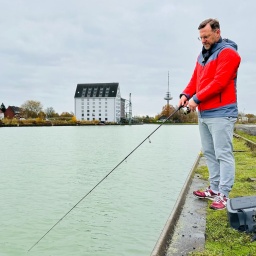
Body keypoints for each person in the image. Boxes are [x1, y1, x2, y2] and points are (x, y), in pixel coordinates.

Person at [178, 18, 241, 210]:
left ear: (217, 33)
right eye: (200, 38)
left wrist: (195, 99)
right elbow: (195, 79)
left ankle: (223, 194)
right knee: (210, 153)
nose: (203, 40)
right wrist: (185, 94)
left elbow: (219, 83)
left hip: (222, 113)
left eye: (206, 36)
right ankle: (213, 189)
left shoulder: (229, 54)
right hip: (205, 114)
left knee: (223, 154)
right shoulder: (202, 56)